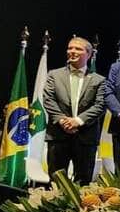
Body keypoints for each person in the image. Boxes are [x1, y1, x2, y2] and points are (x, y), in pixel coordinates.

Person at [43, 36, 107, 185]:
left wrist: (77, 121)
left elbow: (100, 105)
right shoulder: (54, 75)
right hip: (58, 135)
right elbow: (48, 100)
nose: (72, 51)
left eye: (78, 48)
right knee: (56, 181)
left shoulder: (99, 80)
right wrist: (63, 121)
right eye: (70, 48)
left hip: (86, 137)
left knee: (83, 182)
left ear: (89, 54)